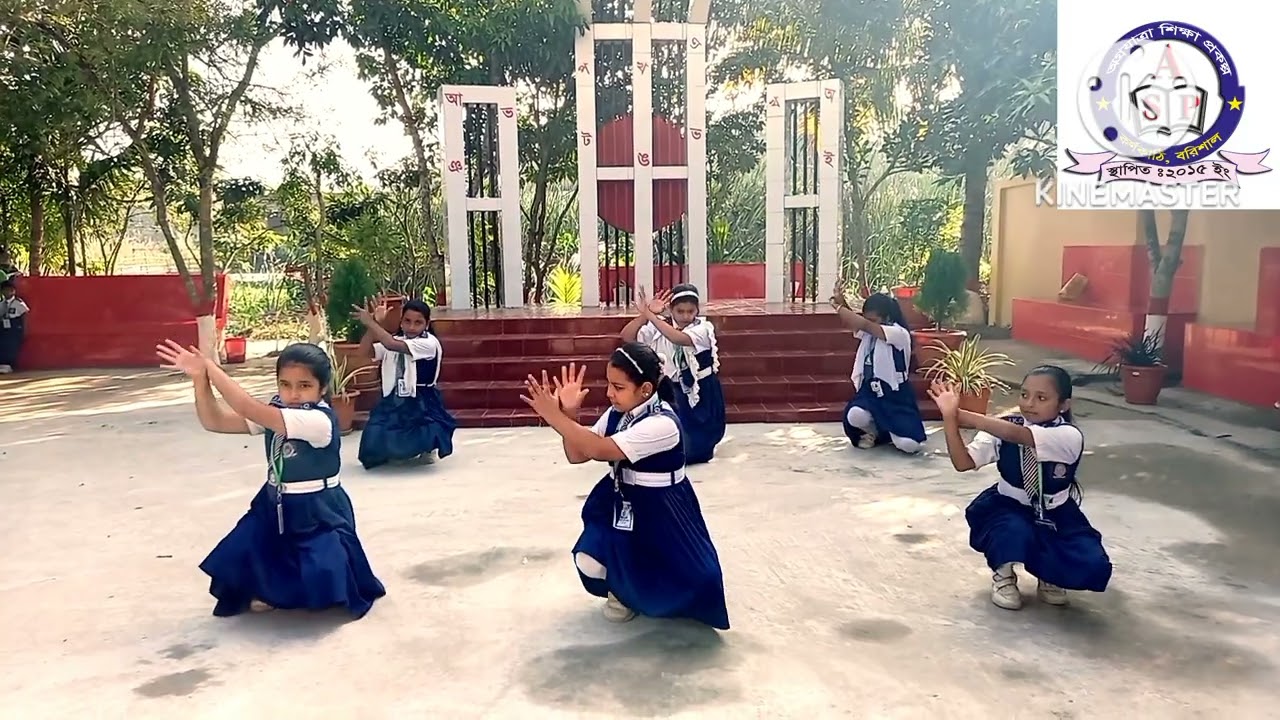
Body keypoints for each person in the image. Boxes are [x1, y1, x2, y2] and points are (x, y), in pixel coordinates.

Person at [155, 339, 386, 618]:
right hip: (274, 501)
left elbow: (247, 407)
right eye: (285, 384)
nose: (293, 394)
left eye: (304, 386)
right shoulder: (278, 413)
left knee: (323, 570)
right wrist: (199, 380)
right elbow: (214, 421)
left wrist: (211, 367)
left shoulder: (317, 420)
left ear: (323, 388)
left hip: (318, 507)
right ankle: (278, 590)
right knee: (243, 548)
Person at [519, 347, 730, 629]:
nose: (609, 393)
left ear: (645, 389)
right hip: (621, 499)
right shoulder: (618, 412)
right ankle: (621, 592)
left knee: (696, 578)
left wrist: (554, 416)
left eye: (618, 387)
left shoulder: (662, 424)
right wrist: (570, 413)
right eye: (608, 384)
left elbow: (599, 449)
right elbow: (577, 454)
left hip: (663, 506)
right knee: (591, 558)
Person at [929, 365, 1113, 610]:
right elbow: (963, 463)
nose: (1029, 403)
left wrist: (961, 414)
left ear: (1064, 404)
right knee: (1013, 530)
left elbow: (1020, 436)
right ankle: (1003, 574)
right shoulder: (1001, 427)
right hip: (1008, 505)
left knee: (1093, 563)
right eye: (1024, 394)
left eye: (1042, 398)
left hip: (1055, 510)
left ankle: (1051, 575)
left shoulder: (1068, 435)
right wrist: (949, 419)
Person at [620, 284, 726, 464]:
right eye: (680, 311)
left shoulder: (703, 327)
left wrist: (651, 317)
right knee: (674, 437)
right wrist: (644, 315)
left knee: (700, 443)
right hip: (672, 390)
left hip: (700, 390)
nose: (686, 316)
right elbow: (627, 336)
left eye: (691, 311)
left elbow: (678, 338)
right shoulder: (658, 325)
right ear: (671, 310)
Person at [352, 298, 457, 470]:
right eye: (407, 321)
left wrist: (371, 323)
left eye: (418, 322)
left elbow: (391, 344)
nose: (412, 327)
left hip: (421, 397)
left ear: (427, 324)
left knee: (424, 428)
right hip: (394, 396)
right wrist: (373, 325)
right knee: (374, 439)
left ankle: (426, 448)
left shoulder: (429, 343)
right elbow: (363, 352)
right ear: (401, 322)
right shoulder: (395, 339)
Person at [831, 285, 927, 453]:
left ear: (887, 317)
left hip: (895, 396)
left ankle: (890, 431)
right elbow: (859, 325)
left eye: (873, 320)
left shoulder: (899, 333)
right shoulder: (870, 331)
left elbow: (864, 325)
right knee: (855, 415)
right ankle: (874, 431)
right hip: (871, 392)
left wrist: (838, 308)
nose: (869, 323)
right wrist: (842, 302)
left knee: (910, 446)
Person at [0, 279, 29, 374]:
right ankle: (3, 363)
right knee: (3, 345)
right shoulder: (1, 304)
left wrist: (25, 330)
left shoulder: (18, 303)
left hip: (15, 327)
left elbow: (25, 315)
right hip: (3, 327)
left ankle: (9, 364)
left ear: (13, 291)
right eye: (4, 290)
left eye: (9, 290)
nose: (6, 292)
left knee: (11, 346)